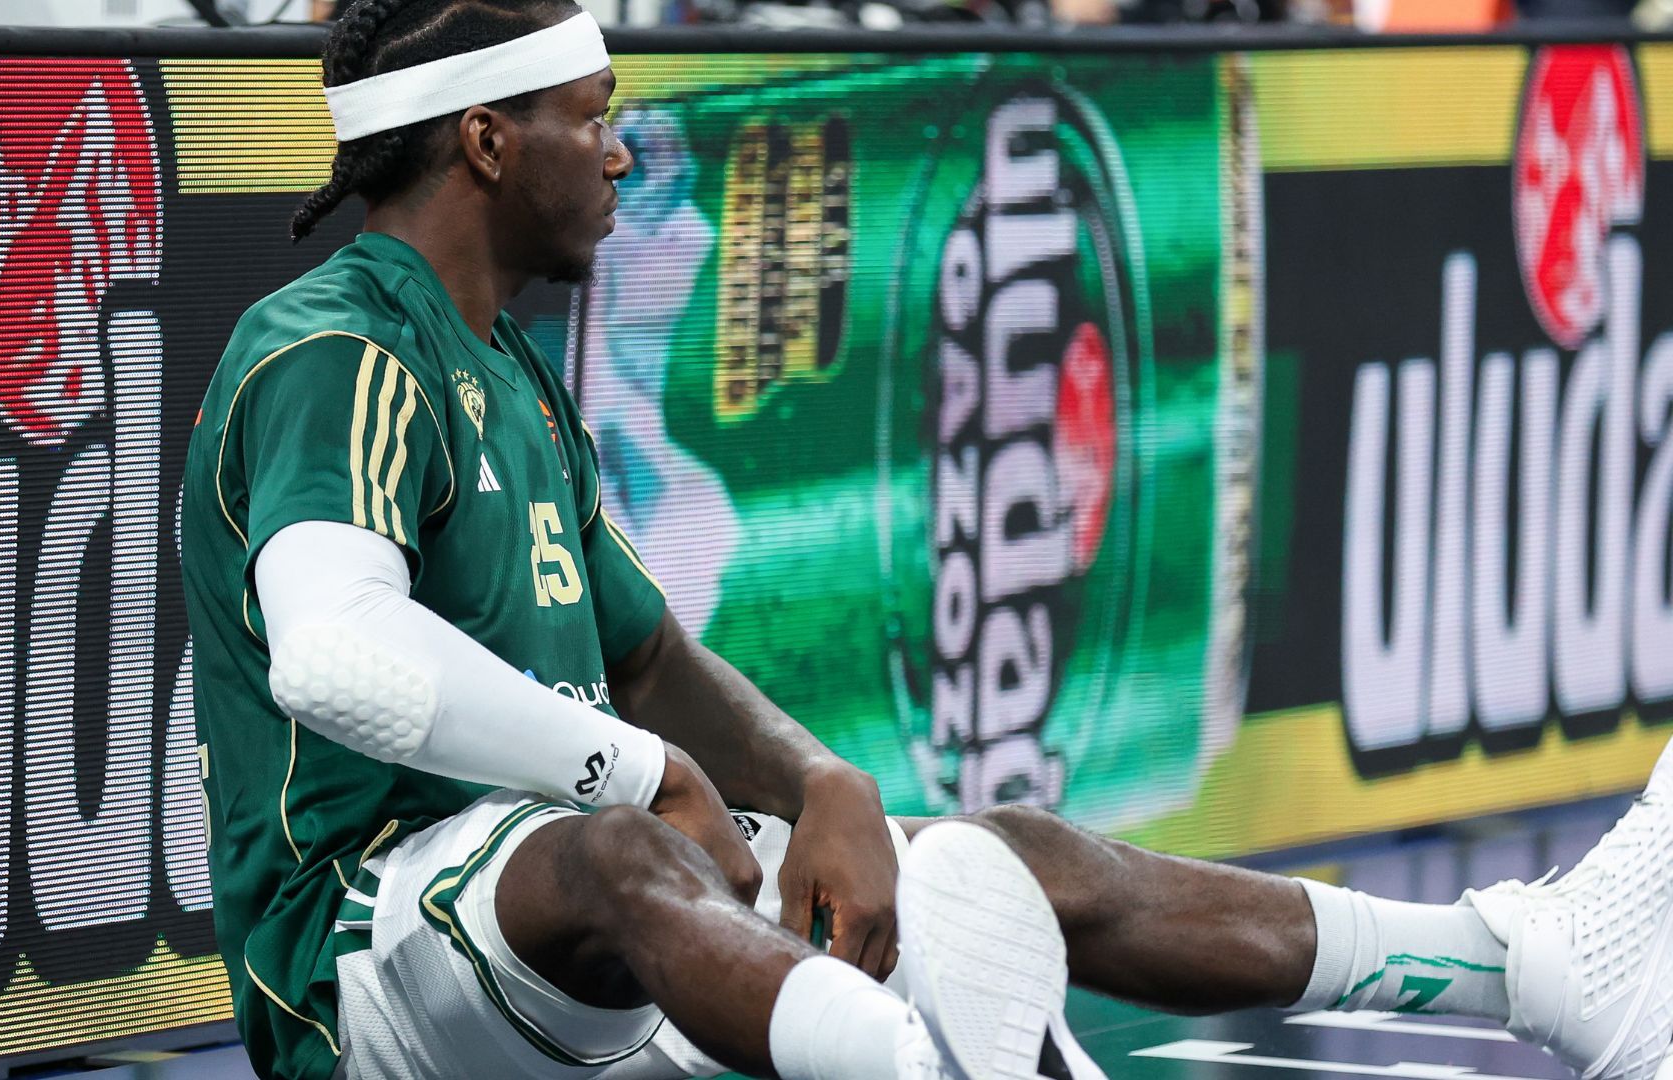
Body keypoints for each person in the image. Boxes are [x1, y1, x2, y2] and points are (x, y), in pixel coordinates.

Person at [178, 2, 1673, 1078]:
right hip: (361, 969)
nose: (621, 154)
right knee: (623, 854)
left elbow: (651, 658)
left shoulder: (506, 366)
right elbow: (333, 654)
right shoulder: (335, 349)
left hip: (565, 923)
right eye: (594, 116)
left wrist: (828, 783)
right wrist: (643, 773)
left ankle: (1531, 968)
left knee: (992, 863)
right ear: (489, 141)